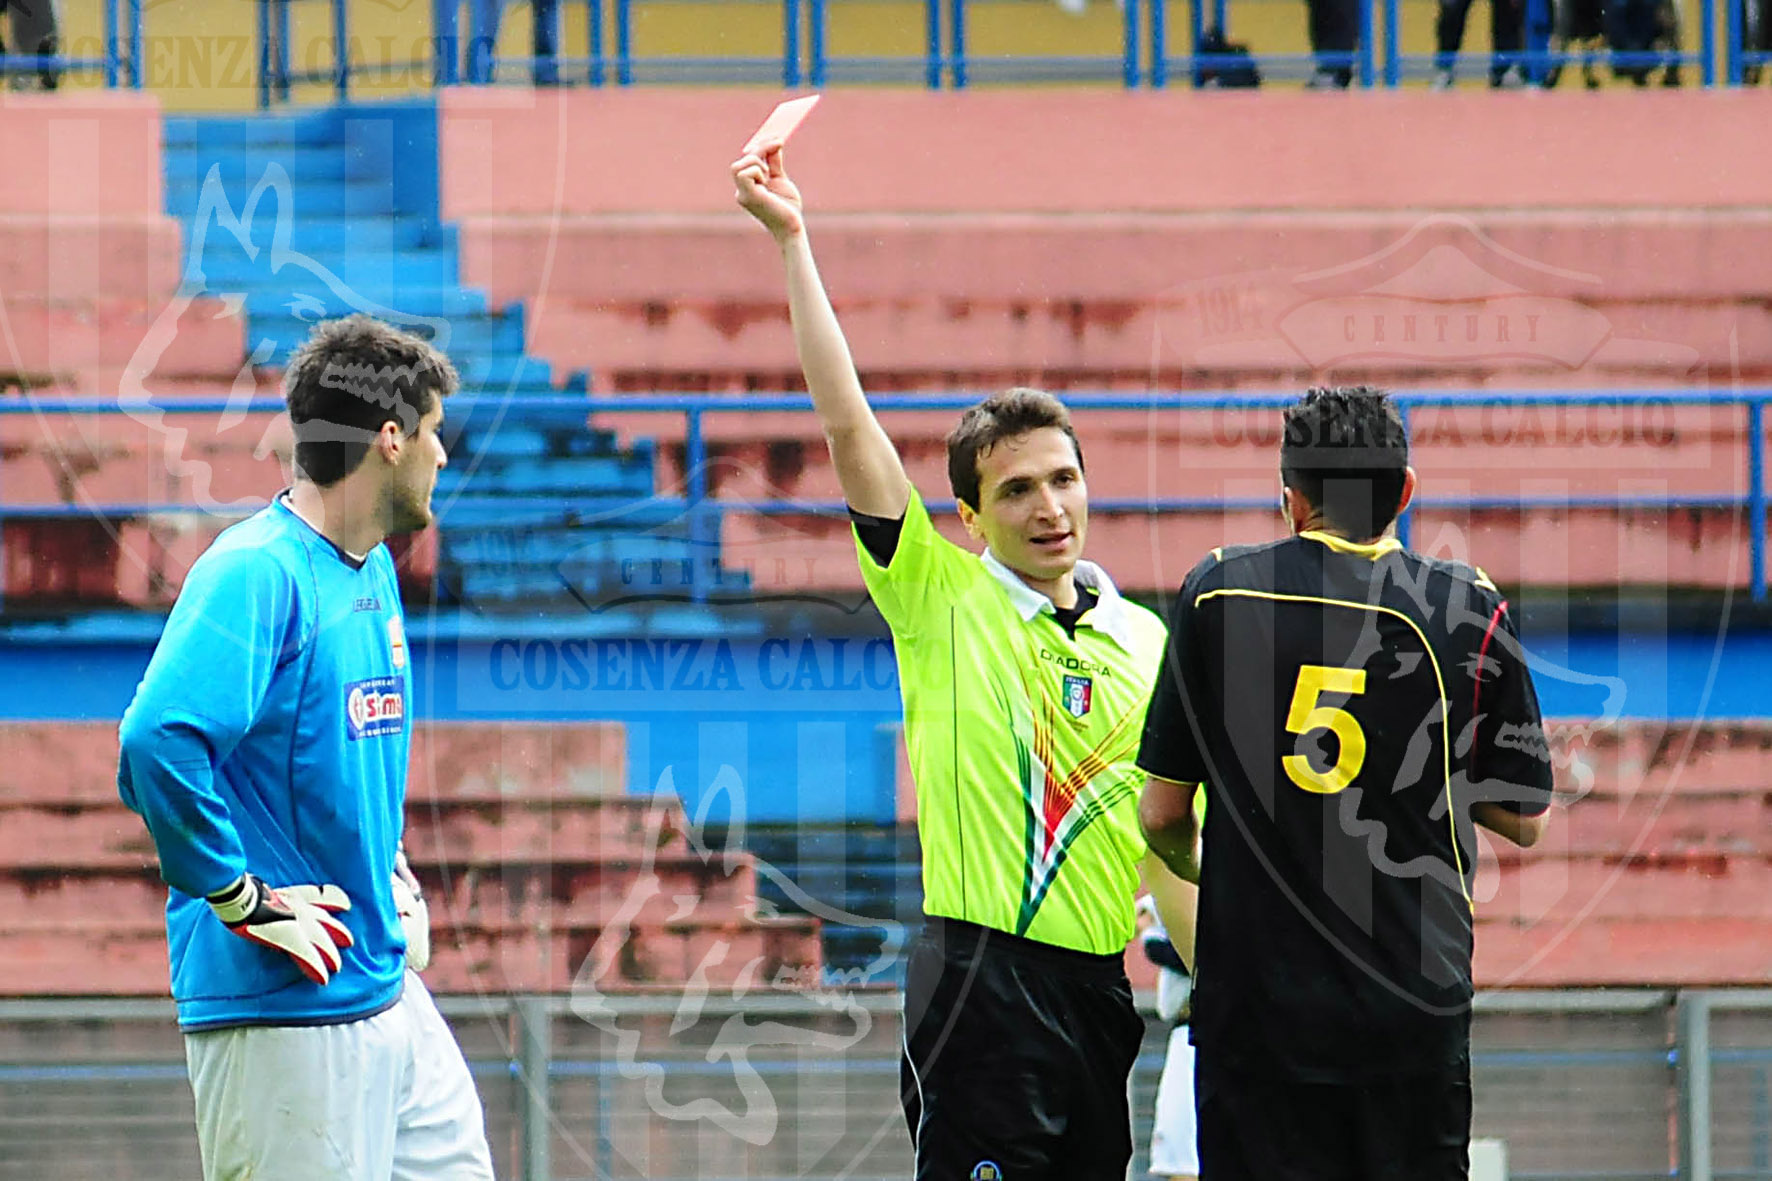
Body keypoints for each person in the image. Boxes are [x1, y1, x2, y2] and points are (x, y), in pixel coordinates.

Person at [731, 140, 1197, 1181]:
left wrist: (1225, 989)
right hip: (979, 986)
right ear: (971, 516)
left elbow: (1167, 844)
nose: (1049, 505)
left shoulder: (1146, 639)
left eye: (1063, 479)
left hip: (1101, 991)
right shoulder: (938, 597)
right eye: (1018, 489)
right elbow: (846, 424)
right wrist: (793, 241)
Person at [1136, 386, 1555, 1181]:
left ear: (1291, 500)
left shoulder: (1219, 591)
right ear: (1404, 492)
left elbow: (1160, 813)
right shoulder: (1466, 604)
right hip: (1409, 1007)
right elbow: (1526, 816)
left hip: (1257, 1014)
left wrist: (1206, 867)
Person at [116, 315, 495, 1180]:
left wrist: (390, 866)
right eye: (434, 433)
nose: (443, 456)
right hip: (286, 1011)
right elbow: (156, 739)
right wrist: (243, 898)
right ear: (391, 438)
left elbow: (338, 755)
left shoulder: (372, 567)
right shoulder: (257, 570)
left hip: (384, 985)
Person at [1136, 893, 1199, 1181]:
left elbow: (1192, 957)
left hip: (1197, 1032)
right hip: (1185, 1031)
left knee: (1184, 1159)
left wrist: (1150, 935)